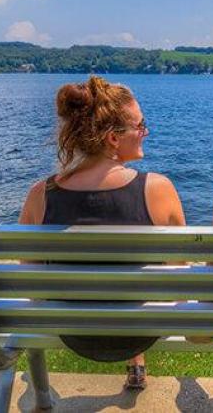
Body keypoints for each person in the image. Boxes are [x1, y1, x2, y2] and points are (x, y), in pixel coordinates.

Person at [19, 75, 186, 391]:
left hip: (75, 333)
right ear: (113, 138)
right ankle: (136, 359)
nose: (145, 132)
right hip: (139, 331)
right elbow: (181, 277)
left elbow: (31, 285)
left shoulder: (40, 195)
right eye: (140, 125)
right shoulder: (157, 189)